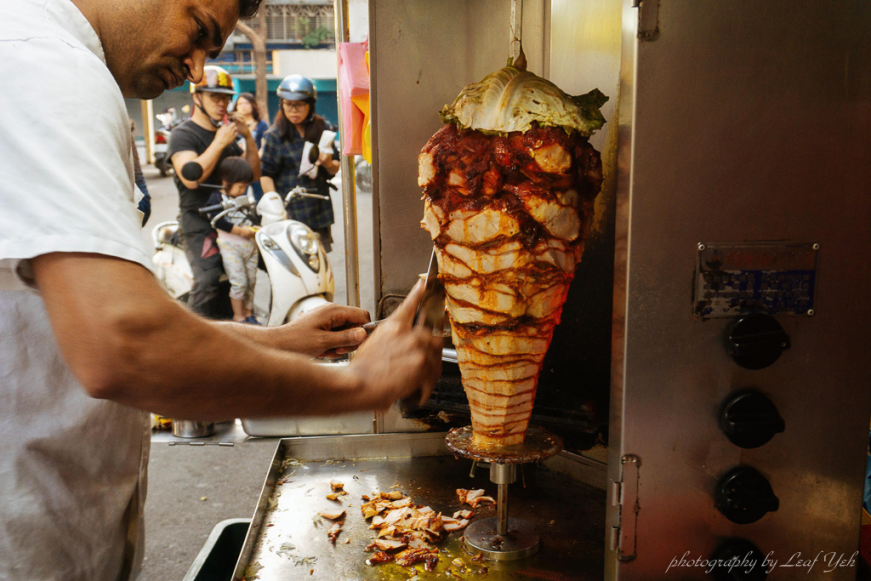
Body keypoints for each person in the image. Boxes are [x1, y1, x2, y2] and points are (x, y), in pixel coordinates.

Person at [0, 1, 442, 580]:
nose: (197, 69)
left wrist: (283, 340)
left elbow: (76, 329)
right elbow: (124, 345)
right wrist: (360, 385)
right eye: (200, 33)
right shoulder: (46, 67)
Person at [167, 64, 259, 318]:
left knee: (249, 275)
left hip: (231, 219)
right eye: (215, 96)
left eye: (226, 98)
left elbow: (252, 175)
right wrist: (220, 142)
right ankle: (190, 340)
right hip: (198, 221)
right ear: (197, 97)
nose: (222, 104)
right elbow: (191, 179)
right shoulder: (182, 135)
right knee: (208, 278)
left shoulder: (227, 136)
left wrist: (248, 138)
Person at [260, 74, 340, 253]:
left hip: (318, 209)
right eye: (288, 104)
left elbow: (335, 166)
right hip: (289, 212)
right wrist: (276, 209)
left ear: (310, 105)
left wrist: (327, 162)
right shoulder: (274, 135)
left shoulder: (323, 129)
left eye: (299, 105)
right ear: (281, 104)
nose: (293, 110)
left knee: (319, 264)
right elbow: (265, 174)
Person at [205, 156, 259, 324]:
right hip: (230, 246)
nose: (243, 190)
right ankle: (239, 316)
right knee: (239, 282)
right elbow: (216, 220)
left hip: (250, 246)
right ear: (226, 180)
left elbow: (252, 216)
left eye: (246, 186)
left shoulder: (242, 198)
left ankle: (249, 313)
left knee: (251, 281)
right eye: (240, 186)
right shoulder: (216, 198)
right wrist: (240, 231)